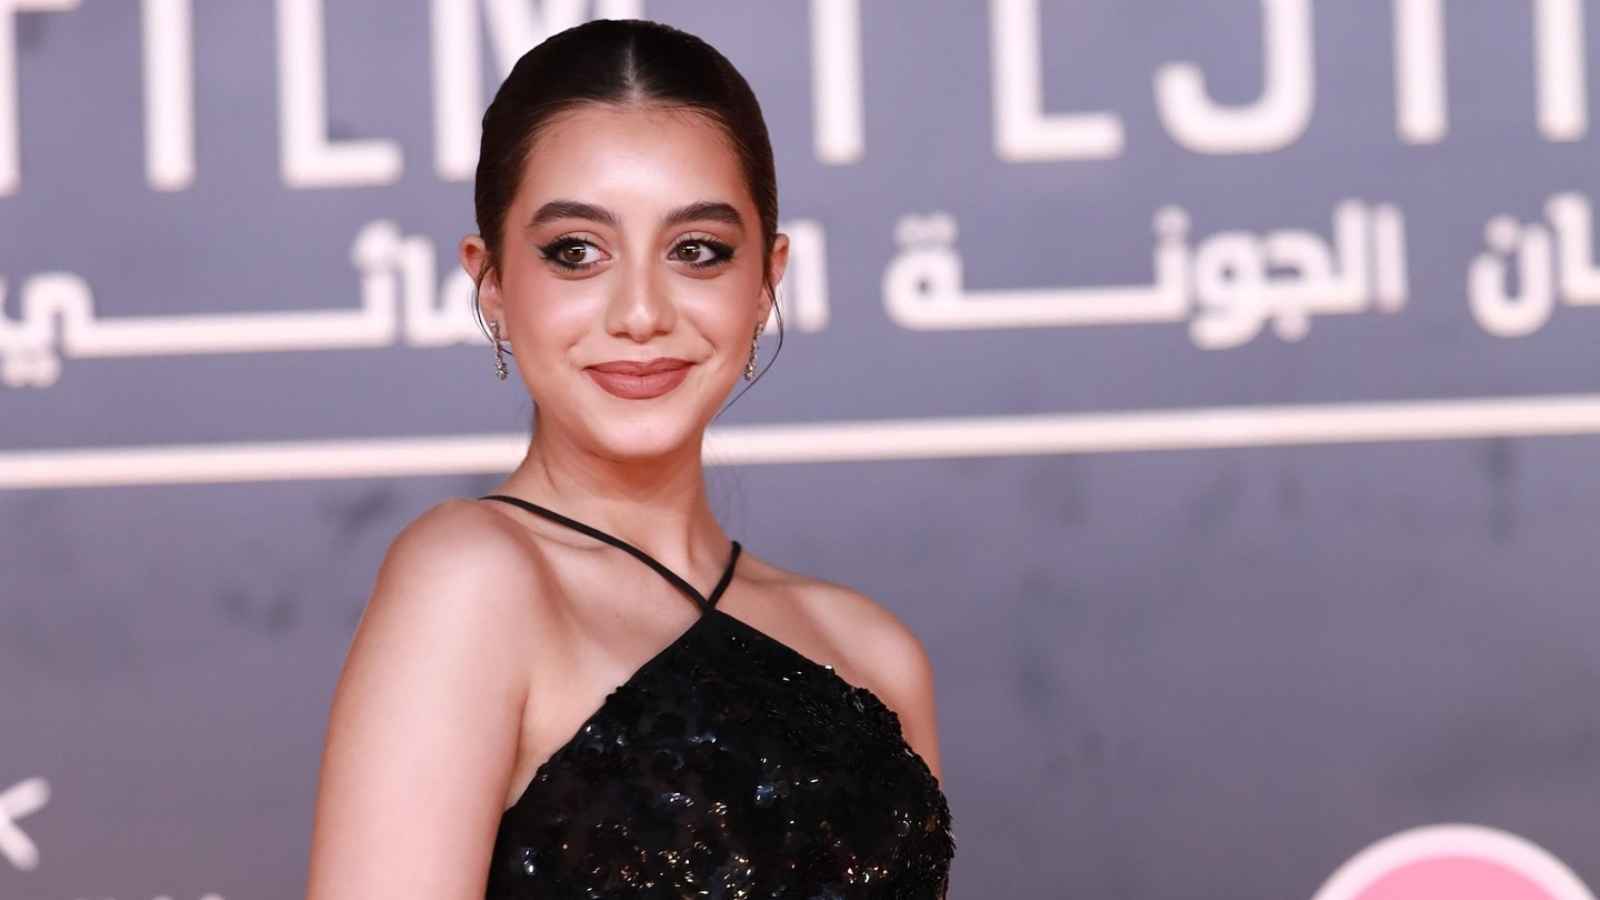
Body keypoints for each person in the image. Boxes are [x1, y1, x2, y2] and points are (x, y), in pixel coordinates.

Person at [304, 18, 954, 899]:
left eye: (697, 252)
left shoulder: (876, 657)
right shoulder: (471, 580)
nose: (641, 313)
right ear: (492, 285)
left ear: (767, 280)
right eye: (576, 253)